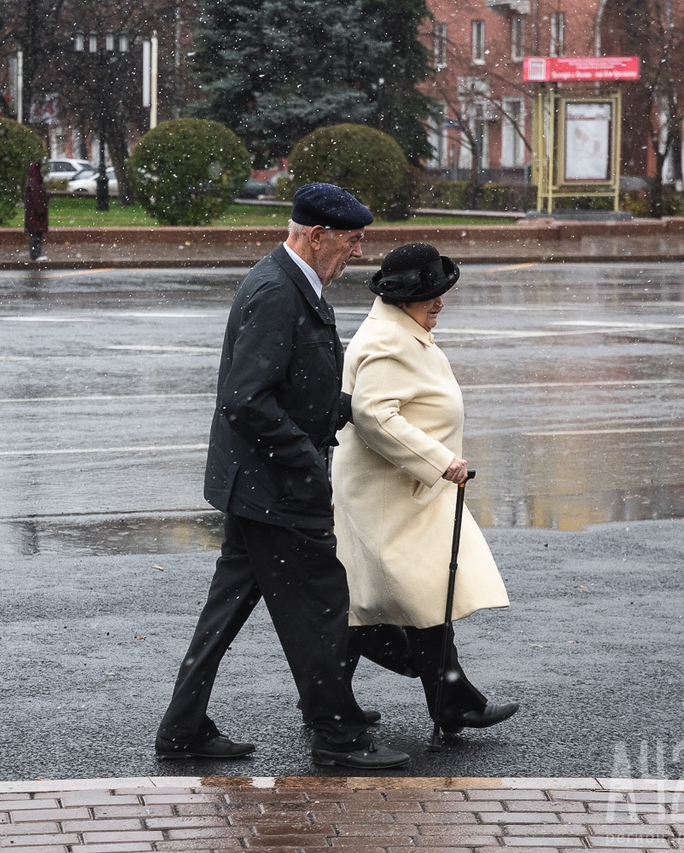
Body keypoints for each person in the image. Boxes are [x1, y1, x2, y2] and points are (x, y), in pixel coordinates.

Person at [155, 183, 410, 771]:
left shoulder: (292, 281)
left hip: (258, 484)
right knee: (321, 605)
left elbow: (292, 384)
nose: (360, 251)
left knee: (227, 610)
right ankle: (336, 737)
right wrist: (306, 463)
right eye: (351, 239)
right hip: (277, 487)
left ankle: (182, 726)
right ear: (316, 236)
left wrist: (348, 410)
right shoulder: (277, 290)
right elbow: (246, 400)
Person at [332, 242, 519, 737]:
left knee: (373, 600)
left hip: (403, 493)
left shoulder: (404, 331)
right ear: (402, 298)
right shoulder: (388, 342)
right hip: (391, 496)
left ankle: (328, 701)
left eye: (441, 292)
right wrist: (441, 461)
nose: (440, 303)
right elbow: (374, 415)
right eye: (430, 295)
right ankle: (450, 698)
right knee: (416, 595)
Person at [24, 161, 48, 261]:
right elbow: (36, 200)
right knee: (35, 235)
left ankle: (35, 254)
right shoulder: (34, 184)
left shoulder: (33, 183)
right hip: (36, 216)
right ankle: (35, 254)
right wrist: (41, 211)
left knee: (35, 235)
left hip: (33, 216)